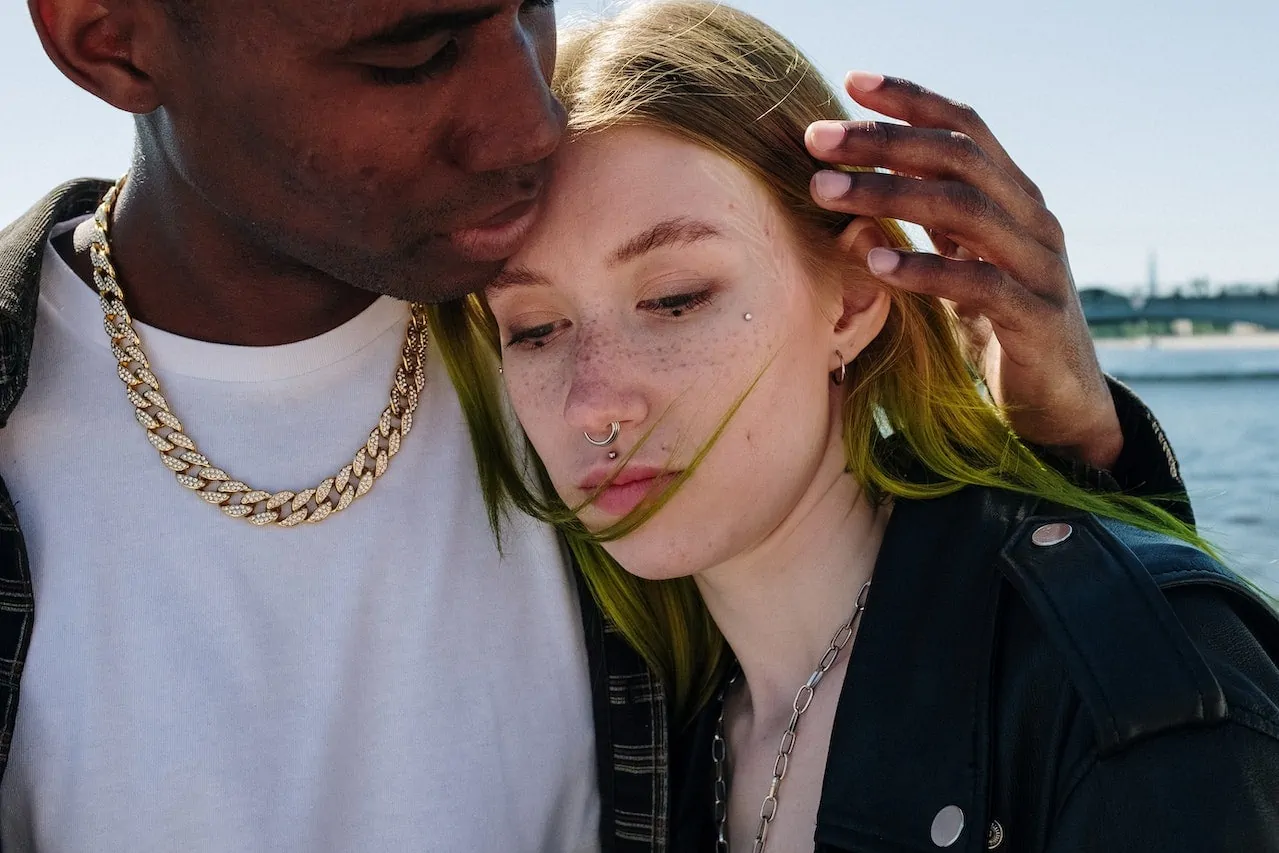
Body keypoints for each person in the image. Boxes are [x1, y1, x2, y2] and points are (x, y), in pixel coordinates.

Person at [0, 0, 1201, 850]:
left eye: (527, 7)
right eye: (413, 51)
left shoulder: (560, 359)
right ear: (108, 34)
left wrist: (1076, 468)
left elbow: (1022, 702)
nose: (529, 124)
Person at [440, 2, 1279, 850]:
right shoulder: (638, 733)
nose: (593, 403)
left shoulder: (1134, 689)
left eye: (674, 299)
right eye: (534, 329)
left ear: (851, 297)